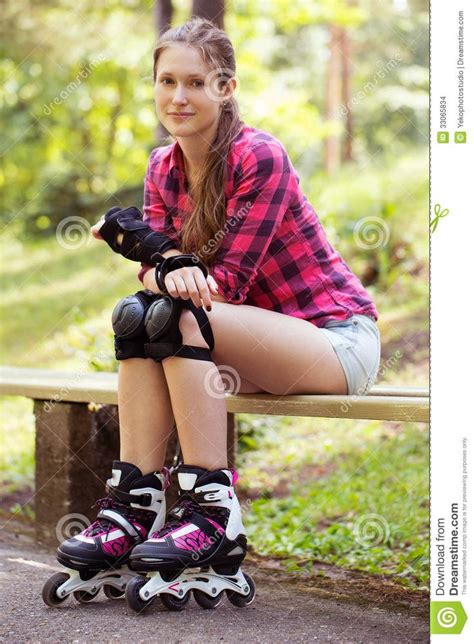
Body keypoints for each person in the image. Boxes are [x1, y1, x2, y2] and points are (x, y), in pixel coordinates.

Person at [45, 17, 380, 610]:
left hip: (334, 342)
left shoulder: (260, 157)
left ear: (225, 88)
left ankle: (213, 514)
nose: (178, 97)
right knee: (137, 318)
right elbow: (163, 281)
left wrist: (148, 251)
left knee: (174, 316)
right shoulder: (162, 168)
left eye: (195, 83)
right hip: (242, 342)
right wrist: (159, 255)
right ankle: (135, 507)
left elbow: (220, 288)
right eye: (166, 81)